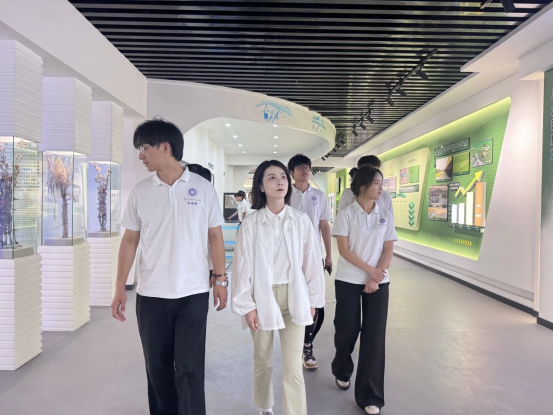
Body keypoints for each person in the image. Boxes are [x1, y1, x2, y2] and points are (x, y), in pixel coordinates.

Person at [111, 118, 228, 415]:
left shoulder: (203, 189)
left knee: (190, 368)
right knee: (157, 369)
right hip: (151, 295)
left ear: (165, 147)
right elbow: (129, 240)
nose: (141, 155)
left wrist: (220, 280)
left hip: (193, 293)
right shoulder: (140, 191)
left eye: (144, 148)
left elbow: (215, 237)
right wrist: (120, 287)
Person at [231, 160, 325, 415]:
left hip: (295, 296)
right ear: (261, 186)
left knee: (293, 367)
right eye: (271, 178)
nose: (280, 182)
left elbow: (311, 263)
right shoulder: (251, 223)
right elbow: (242, 267)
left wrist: (313, 300)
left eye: (283, 176)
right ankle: (265, 406)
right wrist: (247, 306)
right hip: (261, 297)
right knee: (262, 360)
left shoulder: (300, 220)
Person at [331, 165, 398, 415]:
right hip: (349, 279)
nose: (381, 187)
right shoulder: (346, 213)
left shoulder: (385, 214)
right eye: (377, 183)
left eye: (382, 183)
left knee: (374, 336)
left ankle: (371, 396)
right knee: (347, 330)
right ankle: (342, 368)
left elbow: (389, 249)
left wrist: (376, 276)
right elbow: (344, 250)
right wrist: (370, 271)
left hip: (378, 282)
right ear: (363, 186)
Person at [287, 154, 332, 371]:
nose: (304, 170)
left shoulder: (319, 196)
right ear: (292, 172)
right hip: (290, 258)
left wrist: (329, 254)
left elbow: (324, 226)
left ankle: (308, 344)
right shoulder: (286, 195)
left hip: (314, 257)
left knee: (316, 303)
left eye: (307, 167)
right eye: (299, 167)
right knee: (293, 300)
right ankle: (296, 344)